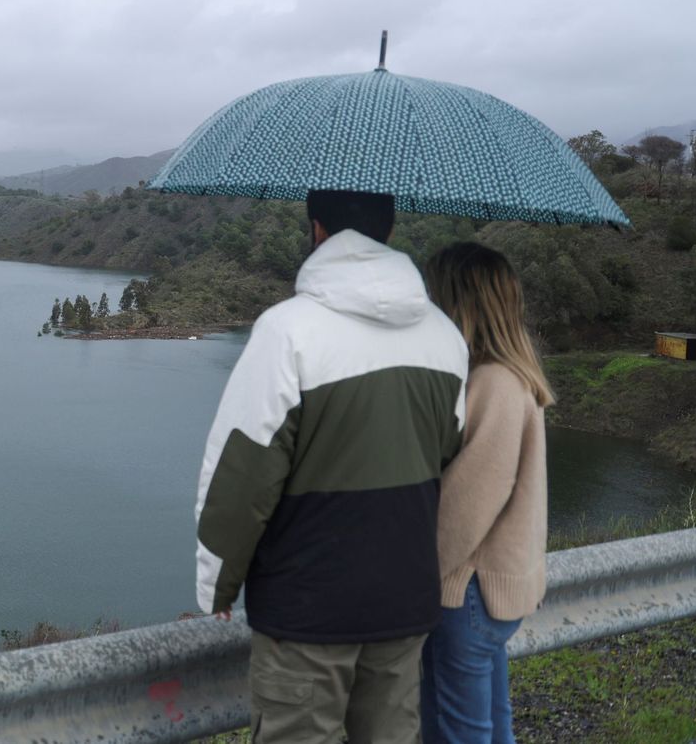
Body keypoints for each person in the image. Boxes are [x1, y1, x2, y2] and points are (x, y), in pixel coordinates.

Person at [194, 189, 469, 743]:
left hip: (308, 606)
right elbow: (448, 452)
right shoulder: (444, 335)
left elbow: (244, 475)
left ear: (317, 231)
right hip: (404, 599)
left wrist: (218, 588)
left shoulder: (287, 330)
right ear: (390, 235)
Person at [419, 243, 550, 744]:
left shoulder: (493, 382)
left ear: (460, 304)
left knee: (458, 735)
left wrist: (416, 574)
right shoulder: (516, 375)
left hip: (467, 592)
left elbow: (470, 502)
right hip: (496, 590)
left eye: (437, 296)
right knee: (494, 727)